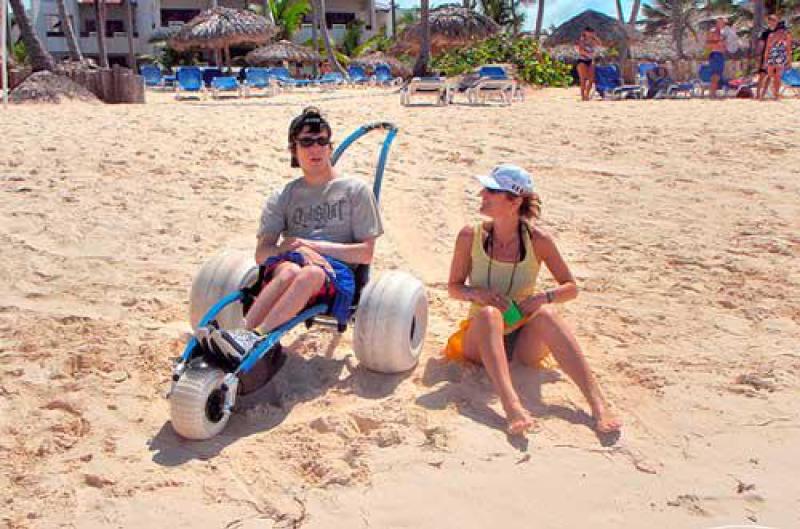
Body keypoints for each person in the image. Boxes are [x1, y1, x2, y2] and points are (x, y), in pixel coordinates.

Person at [446, 164, 621, 436]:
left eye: (491, 191)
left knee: (549, 314)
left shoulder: (538, 240)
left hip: (520, 332)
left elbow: (571, 287)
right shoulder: (471, 236)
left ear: (514, 201)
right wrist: (476, 293)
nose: (482, 193)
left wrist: (541, 298)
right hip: (479, 337)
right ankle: (512, 406)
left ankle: (598, 404)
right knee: (490, 314)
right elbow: (454, 288)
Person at [198, 107, 384, 360]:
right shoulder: (283, 196)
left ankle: (255, 335)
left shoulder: (356, 191)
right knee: (291, 270)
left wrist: (311, 247)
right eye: (306, 142)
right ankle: (241, 333)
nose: (315, 149)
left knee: (311, 272)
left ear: (330, 148)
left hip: (334, 275)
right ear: (293, 149)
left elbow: (365, 254)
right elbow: (262, 254)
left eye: (321, 141)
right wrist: (295, 250)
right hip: (289, 264)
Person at [762, 15, 792, 100]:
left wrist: (789, 61)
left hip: (780, 57)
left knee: (777, 76)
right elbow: (767, 48)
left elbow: (789, 49)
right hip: (772, 57)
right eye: (780, 29)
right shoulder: (771, 35)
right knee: (770, 75)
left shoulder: (786, 36)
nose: (781, 31)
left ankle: (776, 94)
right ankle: (769, 92)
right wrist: (765, 60)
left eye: (783, 29)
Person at [575, 27, 602, 101]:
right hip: (582, 60)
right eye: (589, 32)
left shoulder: (593, 41)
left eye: (591, 32)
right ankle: (583, 96)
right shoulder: (582, 40)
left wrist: (595, 37)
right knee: (583, 79)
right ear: (585, 32)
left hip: (590, 60)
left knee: (591, 79)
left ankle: (587, 94)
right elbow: (580, 51)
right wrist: (589, 54)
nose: (590, 33)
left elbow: (600, 44)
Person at [705, 18, 728, 98]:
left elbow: (725, 45)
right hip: (715, 54)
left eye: (723, 23)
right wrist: (717, 42)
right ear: (717, 23)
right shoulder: (712, 32)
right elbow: (707, 44)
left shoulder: (723, 33)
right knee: (714, 75)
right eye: (721, 23)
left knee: (718, 75)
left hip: (721, 55)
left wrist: (724, 46)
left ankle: (713, 93)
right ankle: (711, 93)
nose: (722, 24)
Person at [756, 21, 773, 99]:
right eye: (771, 21)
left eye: (774, 21)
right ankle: (758, 94)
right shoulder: (765, 33)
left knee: (769, 76)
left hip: (774, 56)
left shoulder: (777, 32)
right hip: (765, 55)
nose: (772, 23)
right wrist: (759, 55)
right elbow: (761, 44)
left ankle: (763, 94)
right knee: (762, 75)